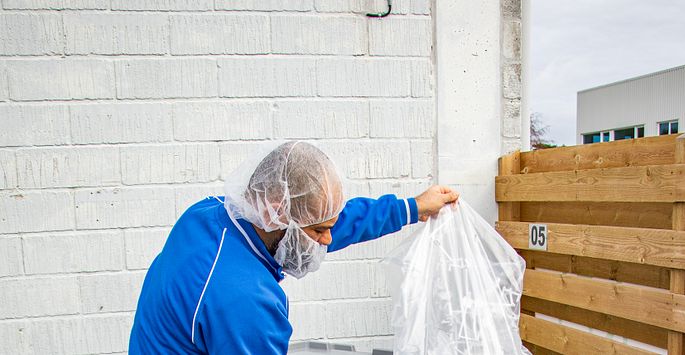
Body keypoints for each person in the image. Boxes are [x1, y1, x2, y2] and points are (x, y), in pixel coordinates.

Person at [129, 141, 459, 354]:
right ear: (275, 211)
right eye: (319, 231)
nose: (327, 240)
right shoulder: (246, 300)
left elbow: (325, 223)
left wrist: (411, 208)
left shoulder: (211, 216)